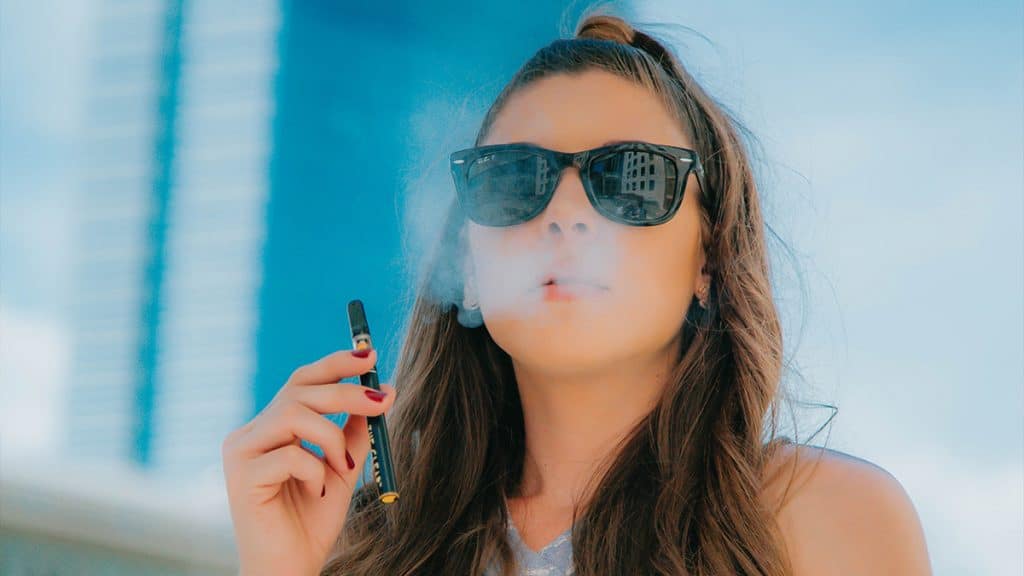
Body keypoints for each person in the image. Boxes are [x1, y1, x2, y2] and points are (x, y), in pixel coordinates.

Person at [221, 9, 932, 576]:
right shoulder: (375, 547)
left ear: (707, 263)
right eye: (513, 179)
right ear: (468, 267)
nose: (564, 214)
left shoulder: (824, 518)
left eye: (631, 178)